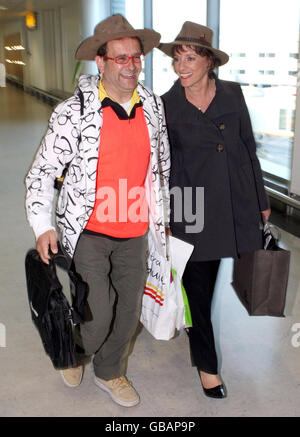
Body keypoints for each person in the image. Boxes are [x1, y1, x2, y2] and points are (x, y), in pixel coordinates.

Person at [25, 14, 170, 408]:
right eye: (120, 58)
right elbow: (43, 171)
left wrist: (163, 220)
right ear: (101, 62)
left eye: (135, 57)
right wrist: (42, 224)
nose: (130, 65)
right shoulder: (73, 112)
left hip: (136, 230)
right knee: (97, 314)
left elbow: (161, 167)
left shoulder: (153, 106)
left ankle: (110, 371)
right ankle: (72, 351)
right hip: (88, 229)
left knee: (128, 312)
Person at [159, 21, 271, 399]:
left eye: (190, 58)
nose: (181, 66)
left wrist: (262, 200)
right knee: (198, 290)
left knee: (210, 280)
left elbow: (248, 148)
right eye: (177, 59)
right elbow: (161, 167)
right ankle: (208, 368)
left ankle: (192, 327)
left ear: (209, 61)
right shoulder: (166, 105)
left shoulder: (232, 94)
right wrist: (166, 217)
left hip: (234, 201)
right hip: (191, 209)